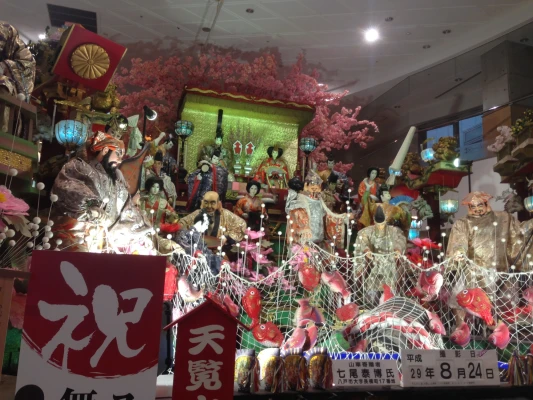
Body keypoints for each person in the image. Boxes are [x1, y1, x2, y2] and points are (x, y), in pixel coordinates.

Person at [50, 132, 153, 253]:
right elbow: (69, 186)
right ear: (105, 150)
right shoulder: (80, 167)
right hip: (77, 234)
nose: (120, 160)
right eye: (118, 154)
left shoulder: (117, 184)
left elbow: (127, 210)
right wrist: (91, 206)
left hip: (105, 240)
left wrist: (142, 230)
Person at [354, 205, 407, 306]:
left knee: (389, 289)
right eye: (378, 223)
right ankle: (371, 306)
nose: (380, 226)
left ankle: (390, 306)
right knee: (372, 287)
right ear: (374, 221)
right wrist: (366, 250)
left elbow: (400, 239)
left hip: (389, 265)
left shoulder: (393, 230)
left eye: (382, 223)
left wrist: (398, 249)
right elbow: (363, 240)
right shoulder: (367, 231)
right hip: (374, 265)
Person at [180, 191, 246, 244]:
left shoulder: (225, 214)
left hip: (219, 248)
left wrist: (227, 236)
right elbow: (182, 222)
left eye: (212, 203)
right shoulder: (198, 213)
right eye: (206, 202)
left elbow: (242, 224)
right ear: (202, 202)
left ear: (218, 203)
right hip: (199, 247)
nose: (209, 206)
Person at [174, 211, 222, 275]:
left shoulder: (197, 235)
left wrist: (216, 258)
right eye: (206, 224)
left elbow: (205, 251)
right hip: (194, 266)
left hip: (202, 263)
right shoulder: (185, 233)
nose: (207, 228)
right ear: (200, 222)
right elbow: (184, 246)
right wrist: (198, 253)